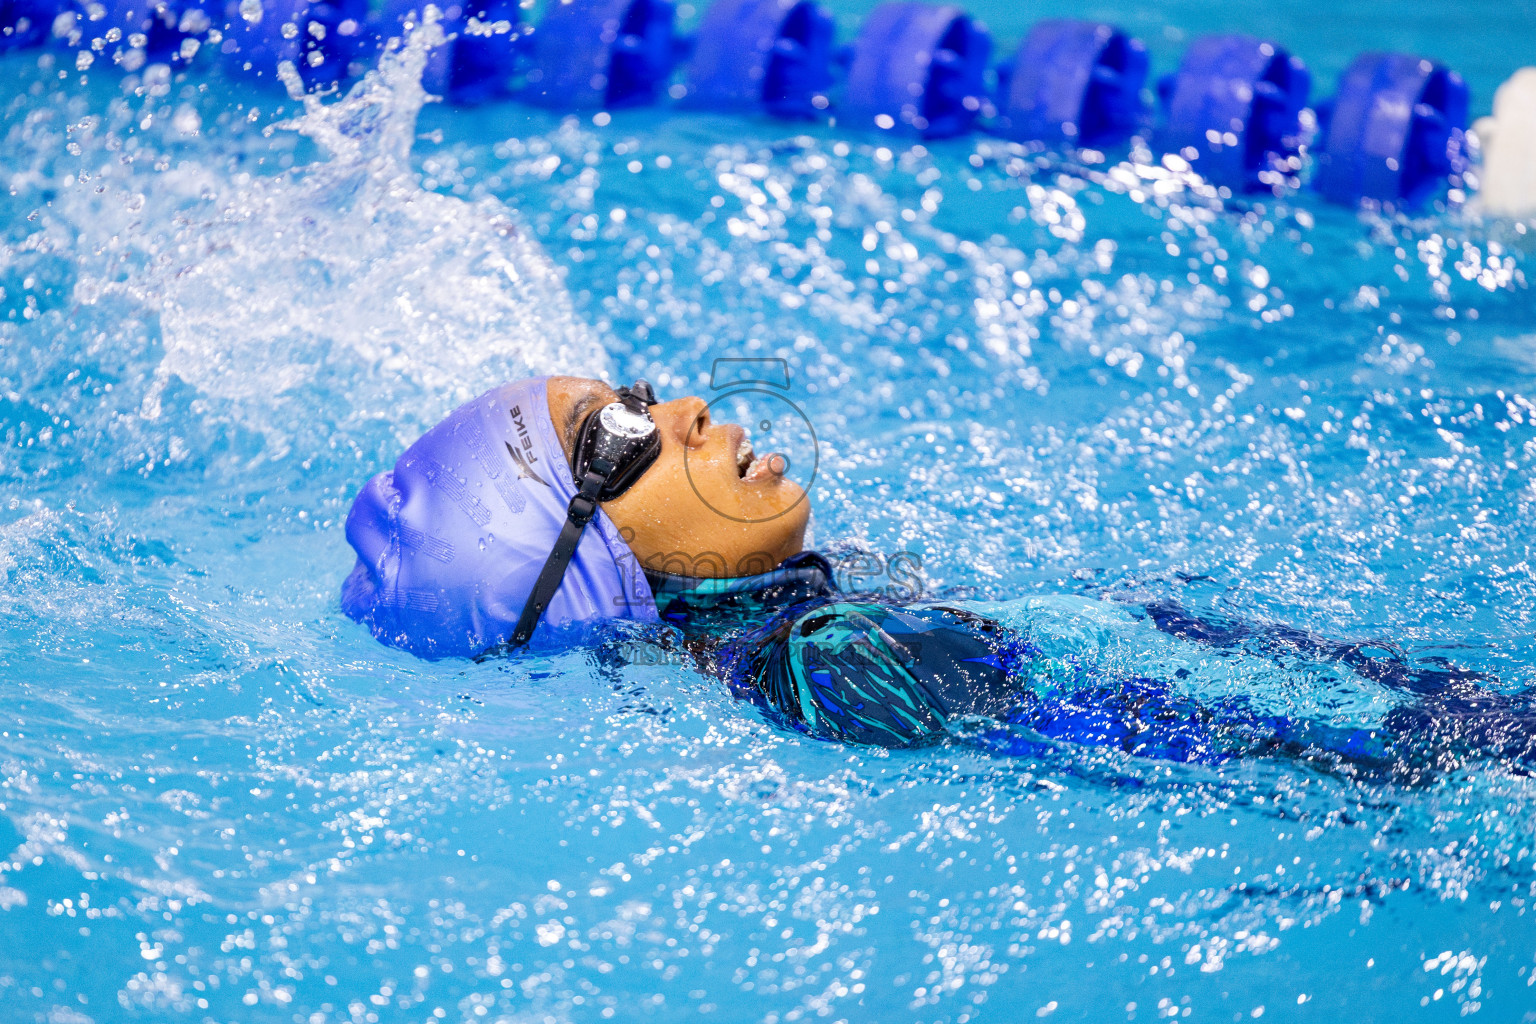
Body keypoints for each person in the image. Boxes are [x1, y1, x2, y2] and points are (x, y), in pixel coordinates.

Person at [342, 376, 1534, 776]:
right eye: (617, 433)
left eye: (638, 389)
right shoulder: (827, 660)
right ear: (574, 562)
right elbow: (1184, 740)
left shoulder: (797, 619)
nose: (687, 408)